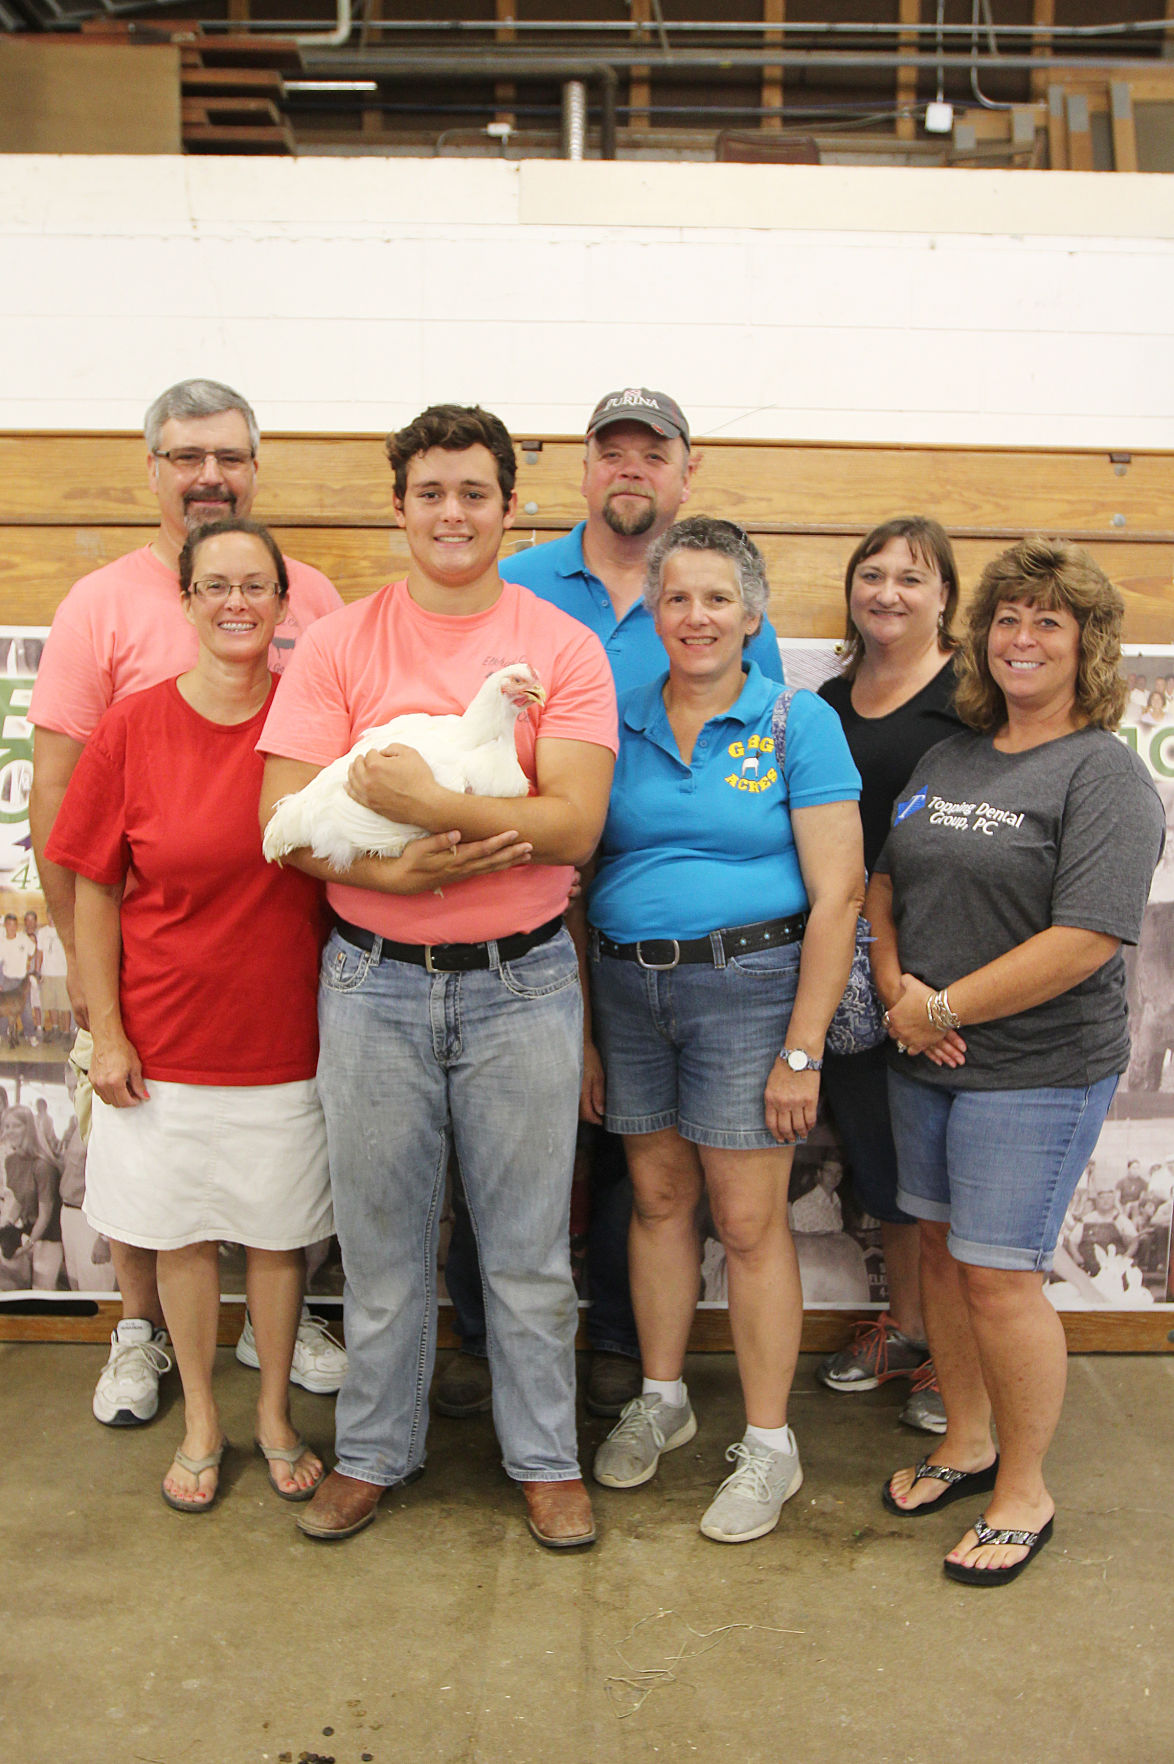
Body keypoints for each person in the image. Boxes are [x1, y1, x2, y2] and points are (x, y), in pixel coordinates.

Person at [258, 403, 617, 1548]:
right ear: (400, 506)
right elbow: (282, 819)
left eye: (475, 491)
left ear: (511, 506)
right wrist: (399, 872)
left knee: (522, 1246)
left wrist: (427, 810)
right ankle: (372, 1451)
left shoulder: (559, 646)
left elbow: (570, 826)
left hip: (521, 982)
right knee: (380, 1241)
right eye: (430, 492)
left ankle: (545, 1459)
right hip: (373, 979)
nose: (452, 512)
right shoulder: (340, 645)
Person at [440, 386, 787, 1423]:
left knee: (643, 1173)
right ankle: (481, 1342)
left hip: (661, 930)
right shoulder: (514, 584)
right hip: (529, 900)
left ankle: (622, 1351)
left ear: (687, 471)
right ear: (585, 471)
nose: (630, 468)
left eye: (653, 452)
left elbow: (760, 756)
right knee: (505, 1151)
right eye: (612, 452)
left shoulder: (718, 597)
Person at [28, 378, 346, 1427]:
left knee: (271, 1186)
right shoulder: (100, 606)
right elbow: (59, 790)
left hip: (282, 979)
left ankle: (272, 1322)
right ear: (153, 470)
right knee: (145, 1187)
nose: (208, 475)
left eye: (228, 457)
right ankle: (137, 1333)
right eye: (184, 457)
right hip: (146, 960)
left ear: (255, 470)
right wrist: (87, 975)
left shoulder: (324, 604)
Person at [872, 538, 1163, 1586]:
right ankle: (966, 1437)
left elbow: (1082, 938)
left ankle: (1023, 1490)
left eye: (1047, 620)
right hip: (925, 1053)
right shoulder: (950, 754)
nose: (1021, 638)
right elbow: (884, 888)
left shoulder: (1105, 777)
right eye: (1006, 617)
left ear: (1085, 643)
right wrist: (903, 996)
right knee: (945, 1261)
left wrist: (938, 1006)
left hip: (1033, 1069)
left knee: (999, 1279)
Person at [583, 516, 864, 1543]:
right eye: (675, 598)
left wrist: (802, 1048)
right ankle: (661, 1395)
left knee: (748, 1223)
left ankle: (769, 1444)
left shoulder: (796, 722)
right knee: (657, 1205)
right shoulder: (613, 717)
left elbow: (838, 898)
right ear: (651, 613)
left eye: (716, 599)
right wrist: (582, 1033)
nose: (694, 617)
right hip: (625, 991)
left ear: (752, 616)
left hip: (752, 991)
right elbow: (578, 876)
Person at [814, 517, 964, 1434]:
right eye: (872, 575)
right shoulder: (827, 702)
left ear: (946, 594)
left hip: (944, 963)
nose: (889, 593)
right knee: (888, 1171)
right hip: (851, 967)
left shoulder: (976, 699)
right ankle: (908, 1328)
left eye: (913, 577)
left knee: (948, 1174)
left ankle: (960, 1356)